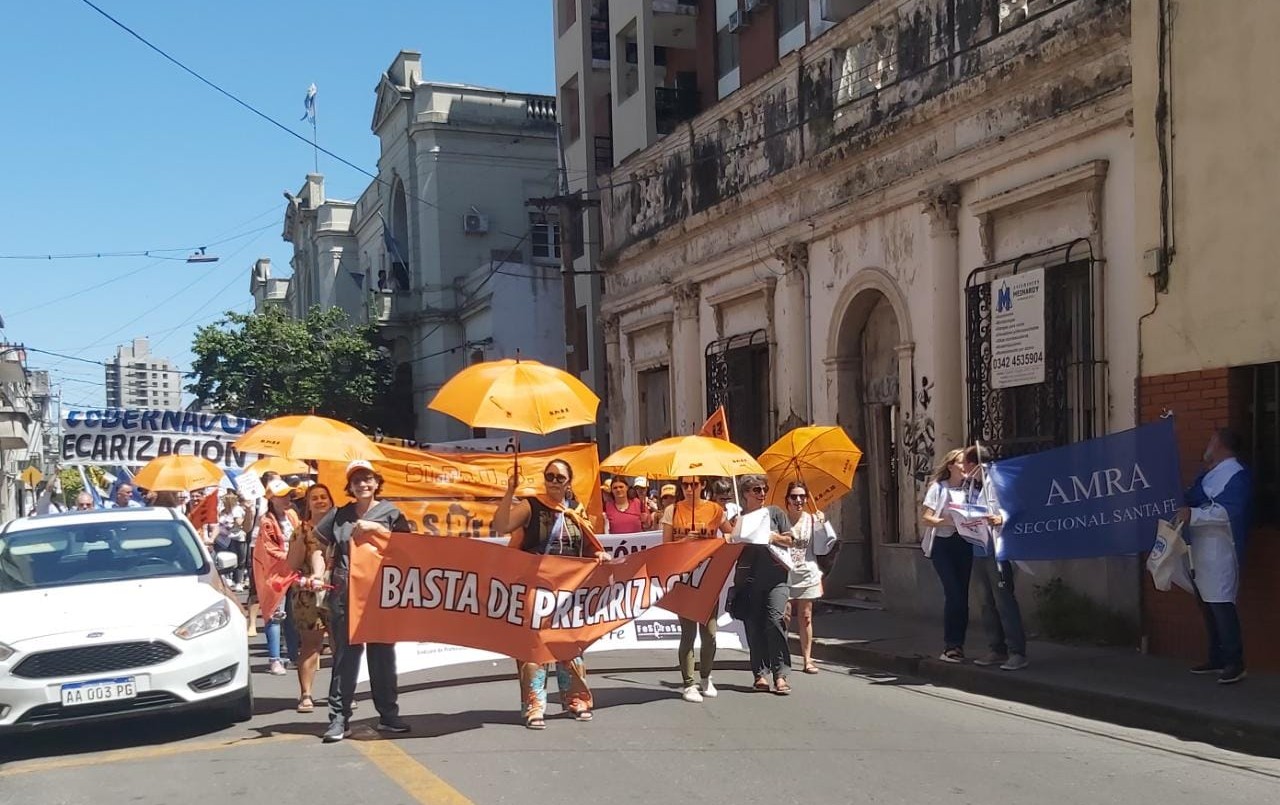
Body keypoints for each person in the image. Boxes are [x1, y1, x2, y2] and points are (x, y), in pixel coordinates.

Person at [494, 458, 610, 730]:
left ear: (569, 481)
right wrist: (510, 491)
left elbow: (588, 546)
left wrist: (598, 555)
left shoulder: (576, 512)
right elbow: (502, 525)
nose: (554, 482)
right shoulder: (531, 506)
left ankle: (576, 700)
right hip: (535, 589)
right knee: (534, 647)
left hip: (569, 591)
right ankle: (534, 706)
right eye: (549, 476)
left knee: (570, 645)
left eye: (559, 477)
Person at [312, 460, 414, 742]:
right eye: (356, 480)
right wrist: (318, 573)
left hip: (381, 593)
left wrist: (376, 529)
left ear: (377, 482)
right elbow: (319, 546)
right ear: (350, 486)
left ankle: (388, 715)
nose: (363, 484)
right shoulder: (339, 514)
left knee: (382, 655)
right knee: (346, 656)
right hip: (345, 593)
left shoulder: (392, 513)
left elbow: (407, 549)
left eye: (367, 479)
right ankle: (339, 719)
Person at [1174, 429, 1253, 685]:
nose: (1207, 445)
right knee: (1206, 605)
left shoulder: (1237, 474)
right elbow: (1193, 497)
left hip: (1220, 551)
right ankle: (1216, 657)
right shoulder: (1209, 473)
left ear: (1220, 444)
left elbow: (1230, 511)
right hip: (1199, 550)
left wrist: (1194, 515)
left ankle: (1235, 662)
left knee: (1221, 605)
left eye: (1211, 440)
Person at [661, 476, 728, 703]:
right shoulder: (672, 510)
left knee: (709, 634)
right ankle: (689, 683)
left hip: (708, 578)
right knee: (688, 633)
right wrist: (685, 541)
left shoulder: (715, 510)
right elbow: (665, 547)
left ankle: (706, 677)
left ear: (703, 485)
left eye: (695, 484)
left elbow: (730, 535)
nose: (690, 489)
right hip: (683, 578)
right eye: (686, 485)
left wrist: (732, 532)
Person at [962, 445, 1029, 672]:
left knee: (1004, 601)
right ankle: (996, 648)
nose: (963, 468)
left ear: (974, 464)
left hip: (997, 550)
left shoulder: (998, 480)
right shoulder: (971, 486)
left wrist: (1002, 518)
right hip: (978, 549)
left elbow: (1017, 507)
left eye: (965, 463)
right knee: (985, 603)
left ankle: (1017, 652)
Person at [731, 474, 794, 693]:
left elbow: (791, 540)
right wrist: (737, 538)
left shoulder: (775, 513)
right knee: (754, 625)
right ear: (745, 494)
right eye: (756, 490)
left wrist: (773, 537)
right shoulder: (739, 519)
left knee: (775, 620)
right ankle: (759, 673)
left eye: (764, 489)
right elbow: (730, 547)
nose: (762, 493)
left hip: (777, 578)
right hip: (749, 581)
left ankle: (781, 674)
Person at [920, 449, 979, 663]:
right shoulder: (938, 488)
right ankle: (950, 646)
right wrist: (951, 520)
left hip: (964, 543)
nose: (966, 466)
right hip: (943, 544)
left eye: (968, 462)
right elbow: (926, 518)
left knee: (962, 596)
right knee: (953, 593)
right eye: (961, 462)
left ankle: (958, 646)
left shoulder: (971, 489)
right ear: (950, 465)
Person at [289, 483, 335, 713]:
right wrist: (300, 540)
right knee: (310, 644)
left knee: (340, 645)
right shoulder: (301, 530)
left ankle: (341, 693)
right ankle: (306, 694)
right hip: (308, 593)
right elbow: (291, 565)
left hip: (336, 590)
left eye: (323, 497)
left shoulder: (340, 527)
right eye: (314, 498)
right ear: (307, 504)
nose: (319, 501)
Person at [783, 481, 837, 675]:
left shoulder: (813, 519)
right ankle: (782, 657)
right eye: (794, 497)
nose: (798, 500)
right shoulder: (781, 520)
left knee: (806, 616)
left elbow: (823, 548)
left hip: (808, 572)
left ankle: (807, 659)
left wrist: (823, 525)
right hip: (786, 572)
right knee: (785, 616)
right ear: (787, 500)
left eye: (802, 497)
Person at [255, 479, 301, 676]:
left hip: (294, 571)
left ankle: (293, 655)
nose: (287, 499)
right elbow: (269, 548)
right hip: (275, 574)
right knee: (275, 615)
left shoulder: (292, 515)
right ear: (272, 499)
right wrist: (291, 556)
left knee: (293, 614)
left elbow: (300, 535)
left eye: (288, 495)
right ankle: (274, 659)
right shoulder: (266, 521)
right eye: (281, 496)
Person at [218, 491, 248, 591]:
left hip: (237, 537)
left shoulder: (237, 510)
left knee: (240, 560)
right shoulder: (222, 511)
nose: (224, 502)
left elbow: (239, 522)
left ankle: (238, 581)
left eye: (225, 500)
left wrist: (231, 524)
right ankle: (228, 578)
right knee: (227, 559)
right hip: (224, 538)